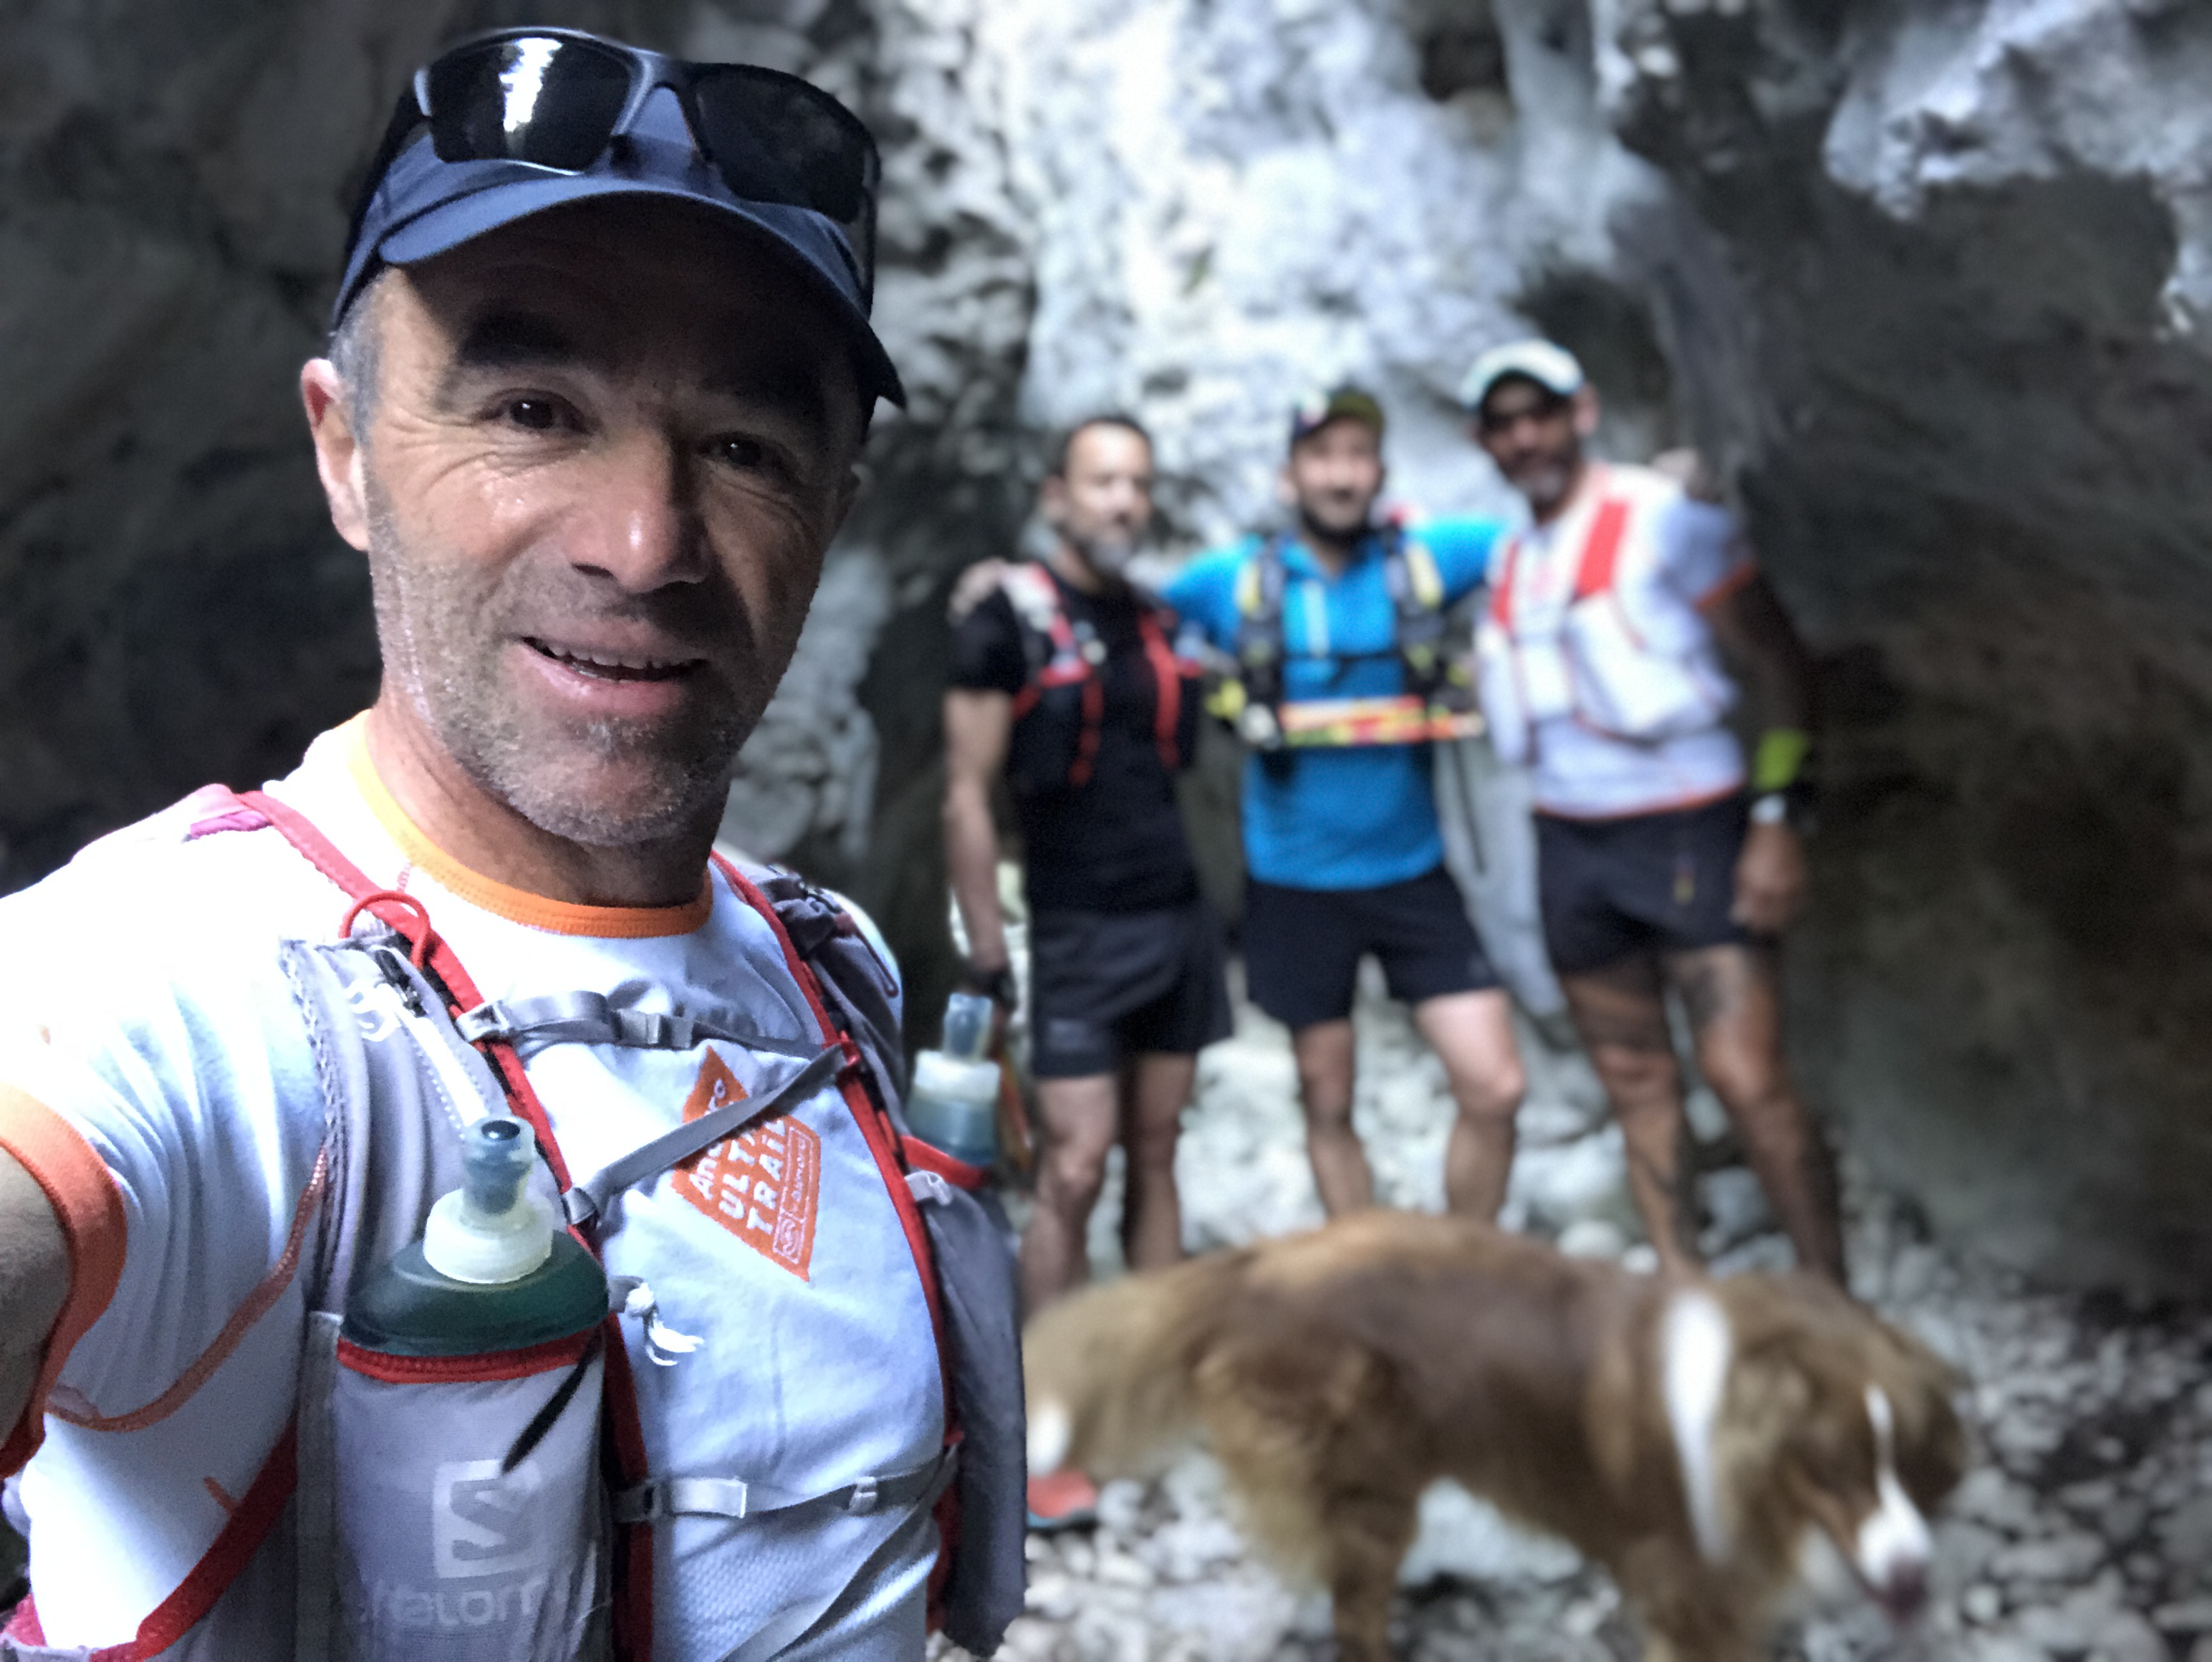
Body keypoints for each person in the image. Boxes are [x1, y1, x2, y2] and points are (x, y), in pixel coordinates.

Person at [0, 31, 1019, 1660]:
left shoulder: (826, 967)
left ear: (835, 506)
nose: (646, 544)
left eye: (746, 448)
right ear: (344, 448)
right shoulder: (172, 984)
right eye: (535, 411)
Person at [1463, 338, 1845, 1282]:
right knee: (1635, 1083)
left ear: (1581, 413)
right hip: (1570, 844)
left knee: (1746, 1078)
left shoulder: (1666, 521)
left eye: (1540, 415)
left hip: (1690, 827)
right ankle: (1683, 1297)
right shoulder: (1512, 559)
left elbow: (1783, 667)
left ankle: (1832, 1302)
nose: (1525, 438)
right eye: (1503, 425)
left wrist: (1776, 818)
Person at [943, 416, 1227, 1527]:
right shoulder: (1003, 621)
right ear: (1055, 493)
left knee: (1158, 1148)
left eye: (1138, 485)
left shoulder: (1160, 618)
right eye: (1103, 482)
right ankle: (1047, 1412)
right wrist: (986, 950)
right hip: (1072, 928)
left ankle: (1150, 1388)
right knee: (1072, 1169)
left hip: (1175, 918)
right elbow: (966, 795)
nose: (1123, 502)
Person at [1165, 388, 1527, 1221]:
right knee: (1327, 1099)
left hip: (1412, 872)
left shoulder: (1426, 559)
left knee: (1496, 1086)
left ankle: (1460, 1262)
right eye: (1322, 457)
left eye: (1357, 456)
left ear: (1380, 472)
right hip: (1294, 883)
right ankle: (1366, 1268)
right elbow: (1120, 610)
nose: (1340, 475)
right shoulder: (1234, 582)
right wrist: (1009, 583)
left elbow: (1544, 538)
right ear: (1288, 475)